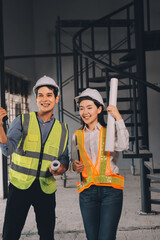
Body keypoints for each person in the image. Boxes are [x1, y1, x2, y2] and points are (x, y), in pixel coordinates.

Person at [0, 75, 69, 240]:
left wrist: (61, 168)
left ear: (56, 98)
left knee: (47, 235)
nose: (45, 99)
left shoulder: (63, 129)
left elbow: (64, 158)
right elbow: (7, 149)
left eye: (49, 95)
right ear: (35, 99)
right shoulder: (22, 121)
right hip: (20, 187)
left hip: (46, 188)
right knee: (10, 234)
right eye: (41, 95)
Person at [71, 88, 129, 240]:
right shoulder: (77, 135)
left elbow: (123, 145)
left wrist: (118, 118)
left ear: (99, 109)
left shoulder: (109, 131)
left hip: (111, 192)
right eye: (81, 108)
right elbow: (74, 162)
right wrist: (74, 166)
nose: (85, 112)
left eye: (89, 107)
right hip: (87, 193)